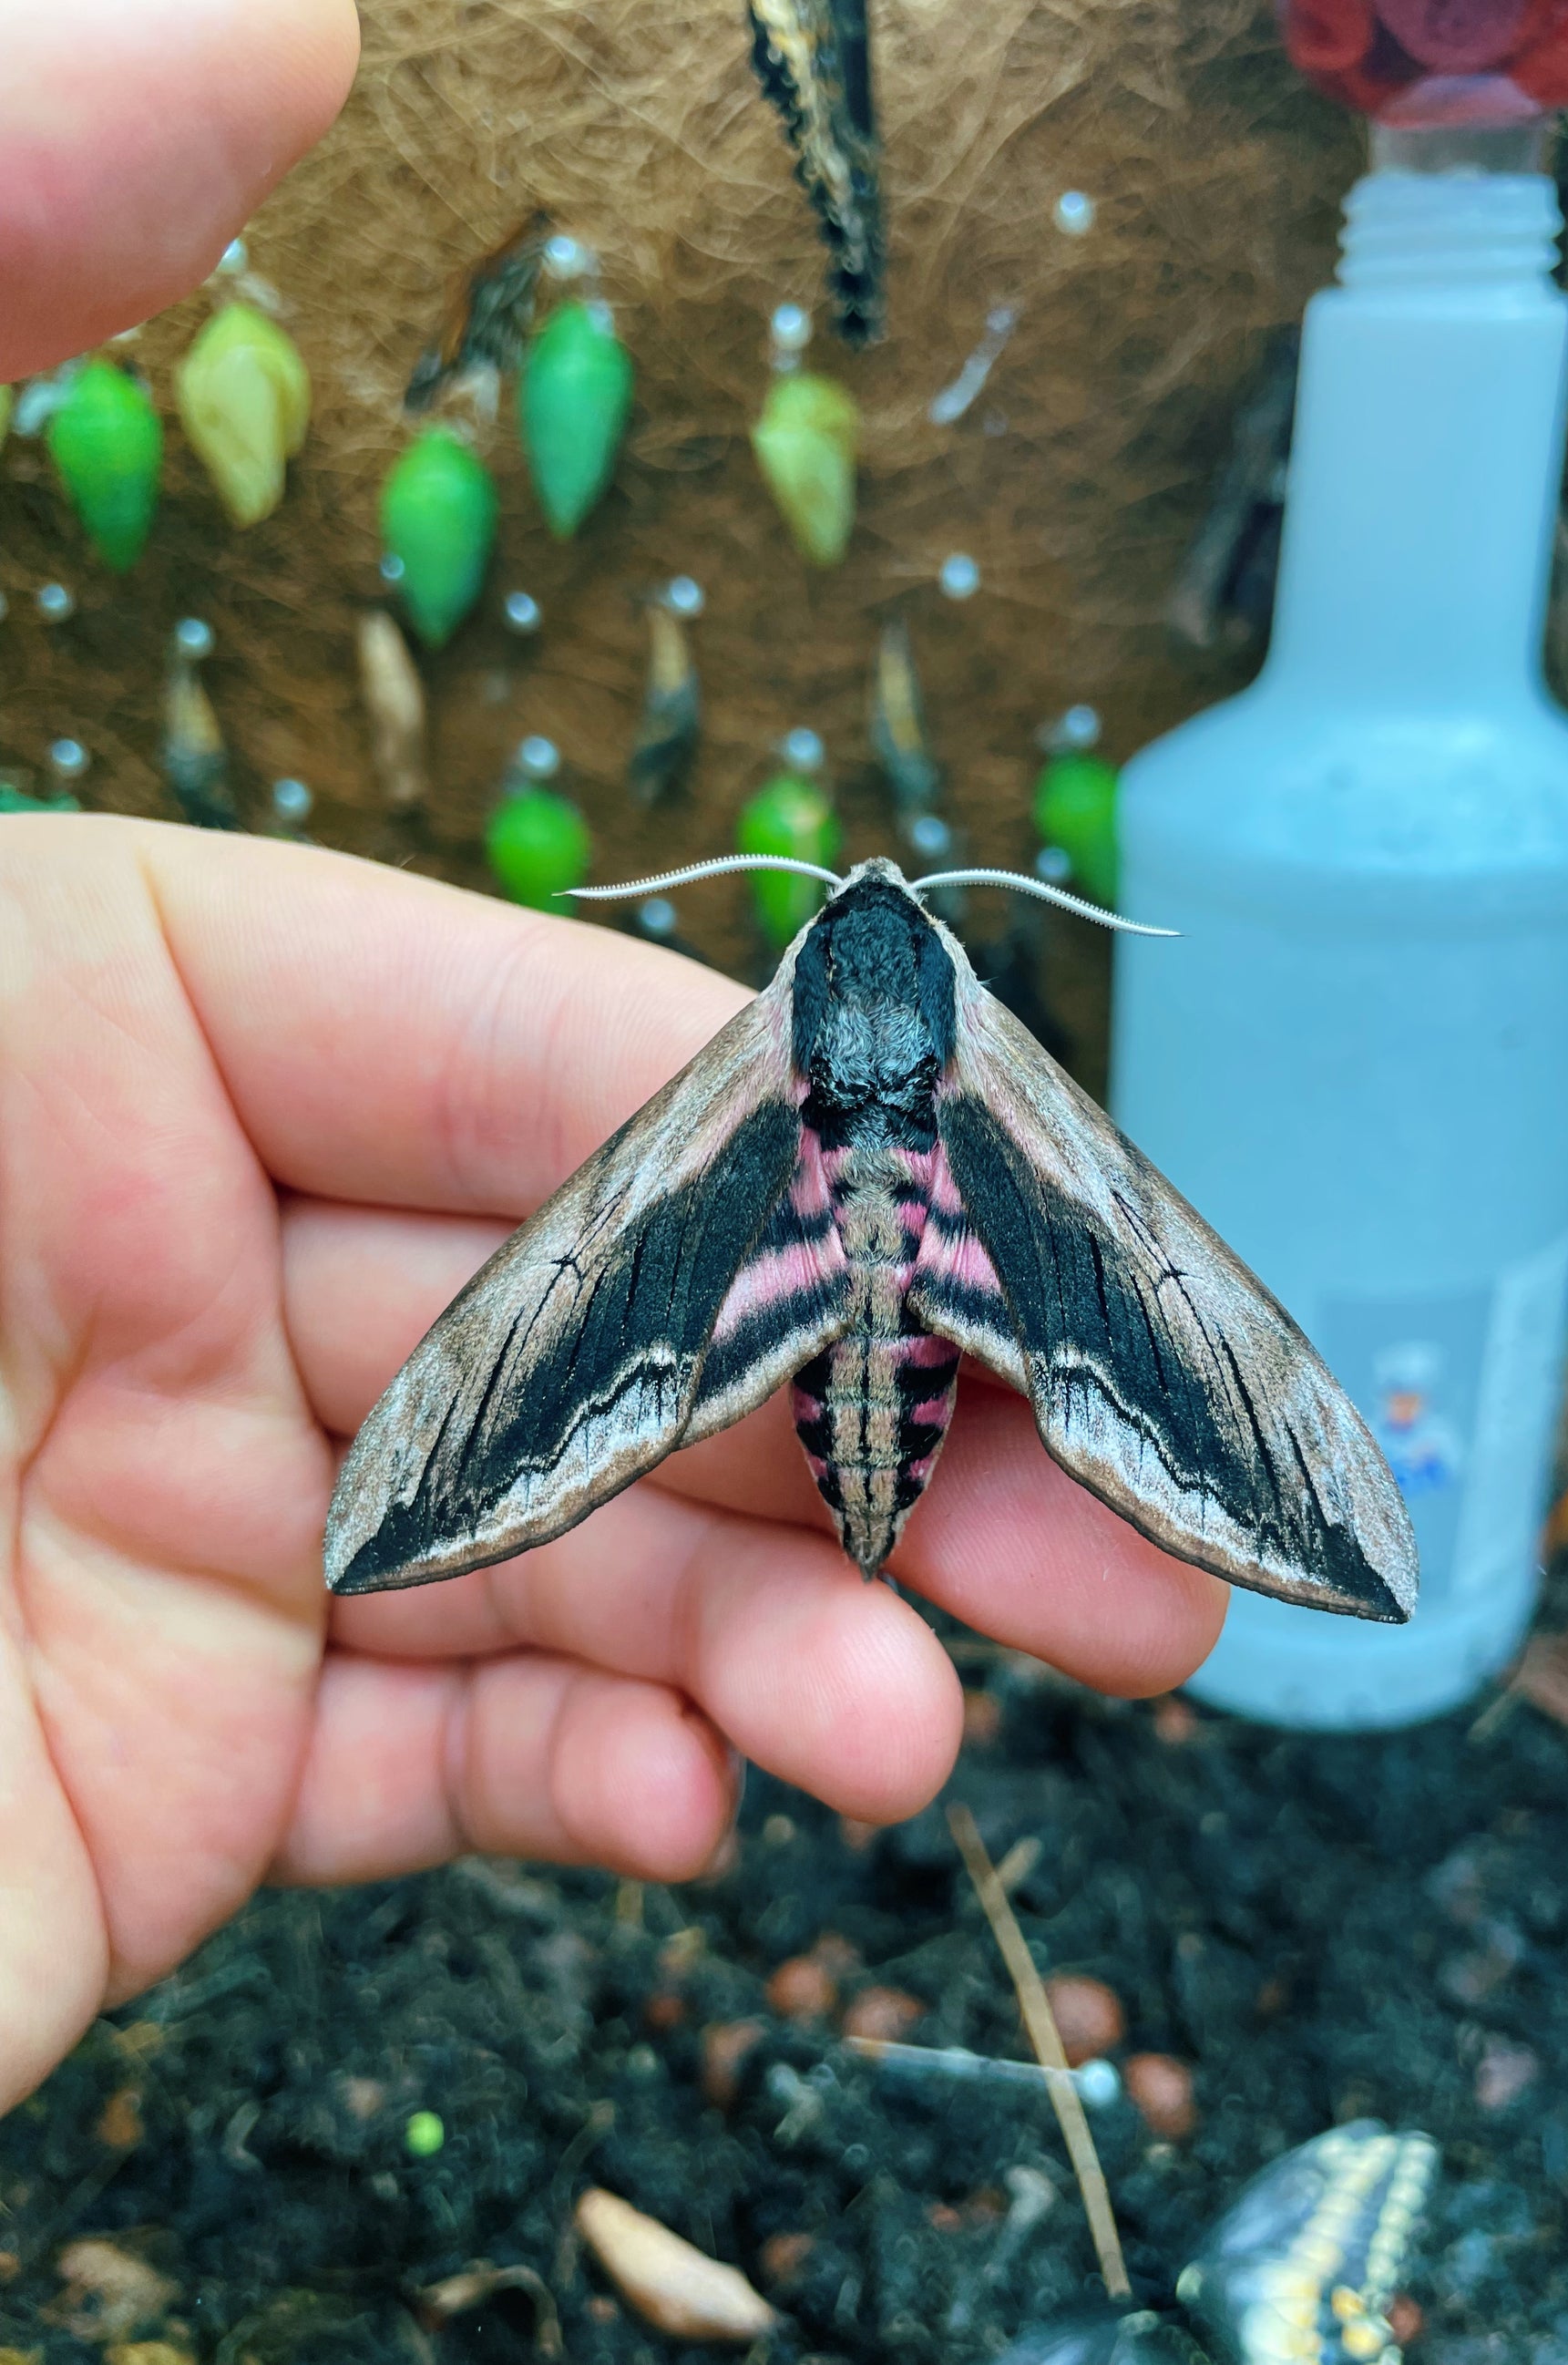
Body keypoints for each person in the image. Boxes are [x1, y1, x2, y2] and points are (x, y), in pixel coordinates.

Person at [0, 0, 1223, 2115]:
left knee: (553, 1366)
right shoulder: (972, 1067)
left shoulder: (751, 1065)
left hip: (751, 1309)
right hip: (914, 1364)